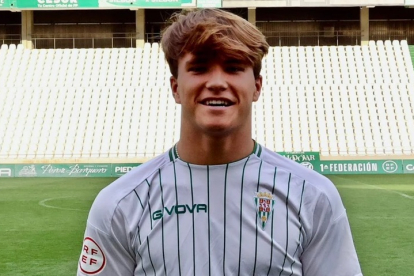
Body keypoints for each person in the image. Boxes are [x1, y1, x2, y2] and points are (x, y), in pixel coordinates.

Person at [77, 8, 362, 276]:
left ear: (257, 87)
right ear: (176, 88)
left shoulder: (313, 197)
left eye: (233, 67)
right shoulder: (119, 203)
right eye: (199, 68)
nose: (216, 82)